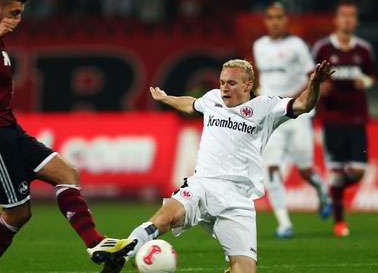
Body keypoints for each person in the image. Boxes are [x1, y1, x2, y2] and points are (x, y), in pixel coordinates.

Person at [0, 0, 135, 273]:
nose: (18, 20)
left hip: (7, 128)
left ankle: (95, 243)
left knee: (66, 172)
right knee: (18, 213)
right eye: (14, 13)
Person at [116, 59, 334, 273]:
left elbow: (303, 104)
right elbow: (191, 104)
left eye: (231, 83)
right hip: (203, 185)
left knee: (245, 269)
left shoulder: (266, 107)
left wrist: (314, 83)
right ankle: (122, 253)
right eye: (221, 82)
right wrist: (166, 98)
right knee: (166, 216)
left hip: (237, 199)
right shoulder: (212, 99)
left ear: (248, 85)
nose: (223, 88)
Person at [252, 2, 331, 238]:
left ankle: (322, 191)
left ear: (286, 20)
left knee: (305, 169)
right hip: (271, 115)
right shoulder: (259, 46)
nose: (275, 21)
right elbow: (262, 79)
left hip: (297, 114)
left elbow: (311, 77)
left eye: (279, 17)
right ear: (266, 21)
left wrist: (295, 98)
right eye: (270, 17)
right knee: (272, 167)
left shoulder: (297, 46)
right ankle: (284, 223)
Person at [312, 1, 376, 237]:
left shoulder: (363, 49)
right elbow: (312, 75)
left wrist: (366, 82)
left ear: (356, 21)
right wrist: (320, 85)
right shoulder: (323, 48)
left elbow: (372, 76)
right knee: (338, 171)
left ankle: (332, 192)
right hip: (332, 118)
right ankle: (339, 223)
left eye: (351, 16)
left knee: (359, 171)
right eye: (343, 16)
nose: (347, 20)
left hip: (357, 117)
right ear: (336, 20)